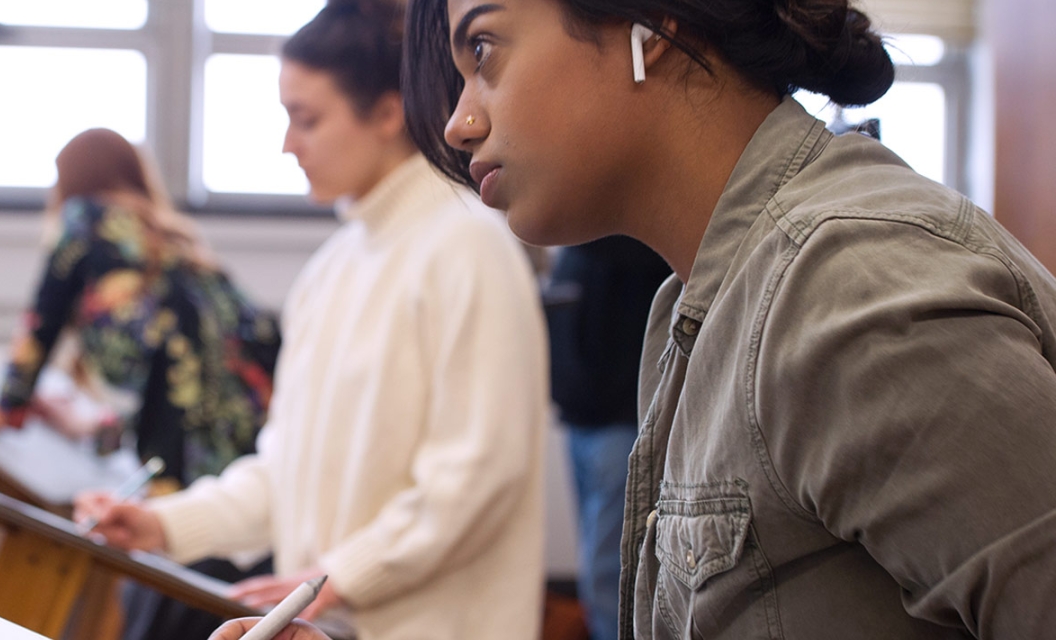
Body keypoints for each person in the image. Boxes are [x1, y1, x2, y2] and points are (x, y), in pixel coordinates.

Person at [394, 0, 1056, 639]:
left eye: (483, 50)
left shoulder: (847, 290)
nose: (459, 123)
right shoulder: (696, 303)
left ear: (648, 25)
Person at [79, 2, 551, 639]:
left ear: (387, 113)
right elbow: (285, 470)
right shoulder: (333, 266)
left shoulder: (468, 246)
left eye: (306, 119)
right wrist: (165, 524)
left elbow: (477, 477)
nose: (287, 143)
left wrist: (338, 575)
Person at [0, 128, 281, 488]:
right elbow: (179, 391)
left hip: (185, 454)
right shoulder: (177, 243)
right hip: (250, 436)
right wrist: (87, 427)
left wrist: (4, 408)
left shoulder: (85, 218)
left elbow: (40, 325)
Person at [544, 238, 669, 640]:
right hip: (585, 420)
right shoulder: (579, 245)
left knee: (611, 578)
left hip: (622, 425)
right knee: (599, 571)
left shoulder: (628, 240)